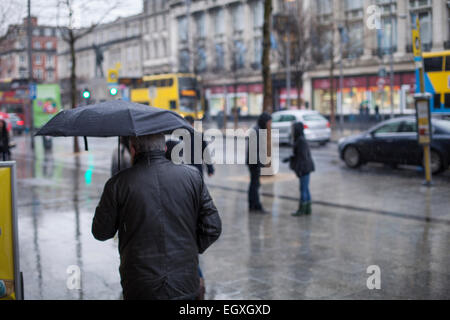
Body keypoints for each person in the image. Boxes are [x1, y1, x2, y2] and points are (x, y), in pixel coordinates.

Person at [92, 133, 222, 300]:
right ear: (165, 148)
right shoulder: (192, 176)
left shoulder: (118, 183)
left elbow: (101, 232)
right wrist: (186, 250)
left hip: (140, 284)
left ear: (133, 150)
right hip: (185, 282)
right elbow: (213, 227)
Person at [246, 112, 272, 213]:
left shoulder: (258, 130)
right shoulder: (256, 131)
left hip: (255, 162)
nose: (270, 124)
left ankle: (254, 205)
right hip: (254, 163)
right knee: (255, 184)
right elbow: (253, 150)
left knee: (255, 184)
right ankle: (255, 205)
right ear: (264, 121)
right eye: (269, 121)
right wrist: (258, 163)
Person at [288, 122, 315, 216]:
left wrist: (299, 169)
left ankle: (302, 210)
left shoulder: (300, 141)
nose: (292, 131)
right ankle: (307, 209)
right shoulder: (300, 140)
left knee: (303, 189)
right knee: (305, 188)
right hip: (305, 168)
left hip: (304, 168)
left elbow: (302, 157)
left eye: (293, 129)